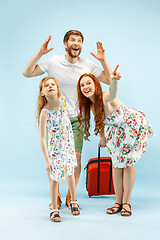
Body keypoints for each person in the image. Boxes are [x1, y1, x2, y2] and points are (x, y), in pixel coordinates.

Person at [23, 30, 112, 208]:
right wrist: (40, 53)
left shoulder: (88, 64)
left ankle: (71, 197)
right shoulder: (54, 61)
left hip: (78, 118)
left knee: (76, 158)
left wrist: (102, 60)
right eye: (72, 40)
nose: (76, 43)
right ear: (66, 43)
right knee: (54, 157)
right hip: (56, 118)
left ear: (81, 45)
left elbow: (110, 81)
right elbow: (27, 73)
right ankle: (55, 195)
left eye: (79, 40)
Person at [77, 65, 154, 216]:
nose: (85, 87)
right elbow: (101, 121)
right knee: (117, 165)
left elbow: (113, 92)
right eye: (82, 85)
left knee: (128, 164)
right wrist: (102, 136)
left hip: (132, 127)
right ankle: (118, 201)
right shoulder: (92, 106)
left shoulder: (105, 97)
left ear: (96, 85)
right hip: (117, 133)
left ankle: (126, 202)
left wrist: (114, 79)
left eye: (88, 83)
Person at [38, 76, 80, 222]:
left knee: (70, 173)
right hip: (55, 151)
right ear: (42, 92)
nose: (51, 86)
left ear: (57, 88)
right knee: (54, 179)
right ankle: (55, 209)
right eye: (46, 85)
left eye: (53, 84)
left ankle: (73, 200)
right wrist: (46, 159)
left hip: (68, 146)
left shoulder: (63, 100)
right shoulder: (45, 113)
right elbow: (42, 138)